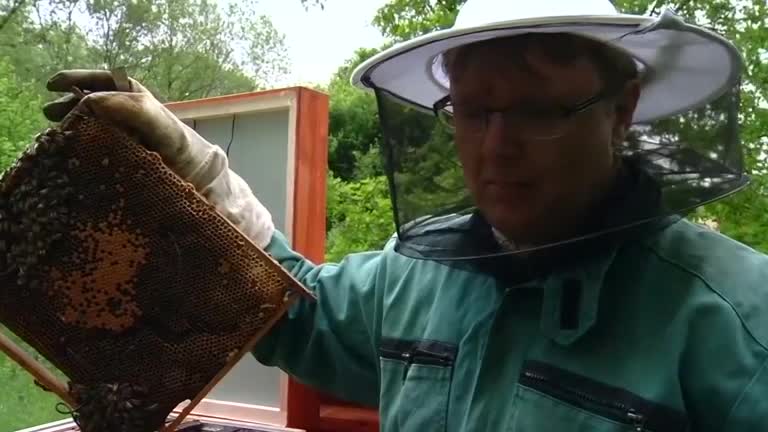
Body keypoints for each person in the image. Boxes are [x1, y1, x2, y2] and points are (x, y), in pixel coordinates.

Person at [42, 0, 768, 430]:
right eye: (473, 111)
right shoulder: (412, 277)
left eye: (539, 108)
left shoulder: (735, 323)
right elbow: (290, 310)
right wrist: (194, 169)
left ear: (622, 111)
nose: (497, 146)